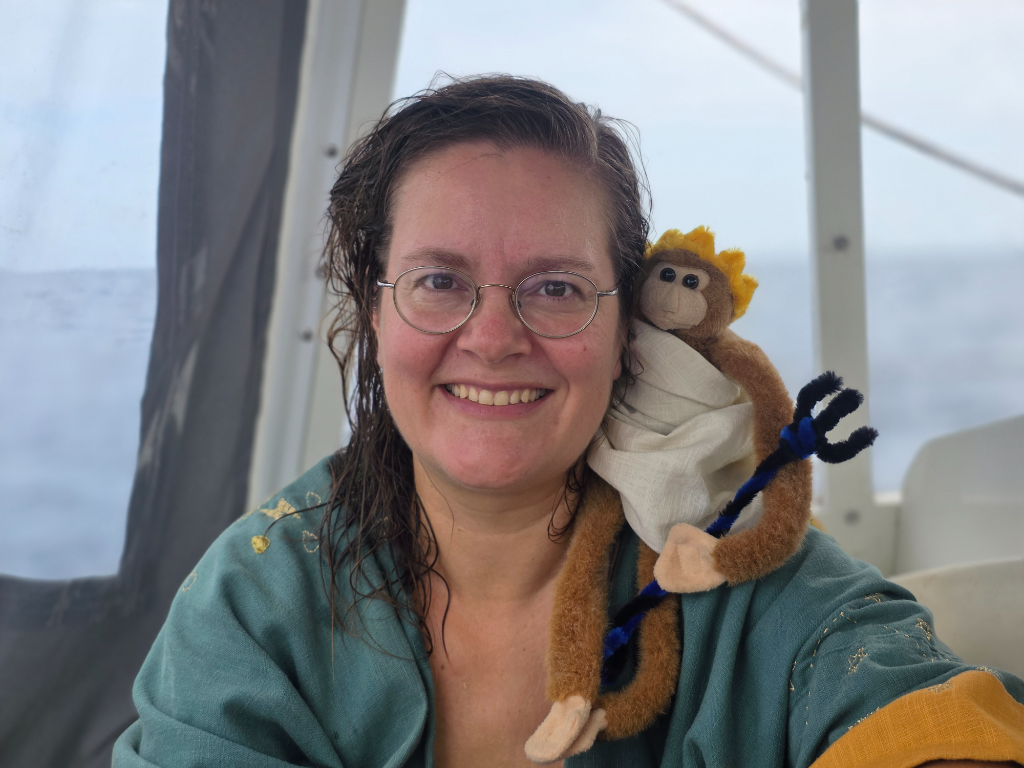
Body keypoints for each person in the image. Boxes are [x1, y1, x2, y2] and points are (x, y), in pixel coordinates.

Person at [113, 76, 1024, 767]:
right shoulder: (254, 601)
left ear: (628, 331)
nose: (493, 338)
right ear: (373, 310)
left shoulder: (738, 567)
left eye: (555, 287)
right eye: (439, 281)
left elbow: (904, 696)